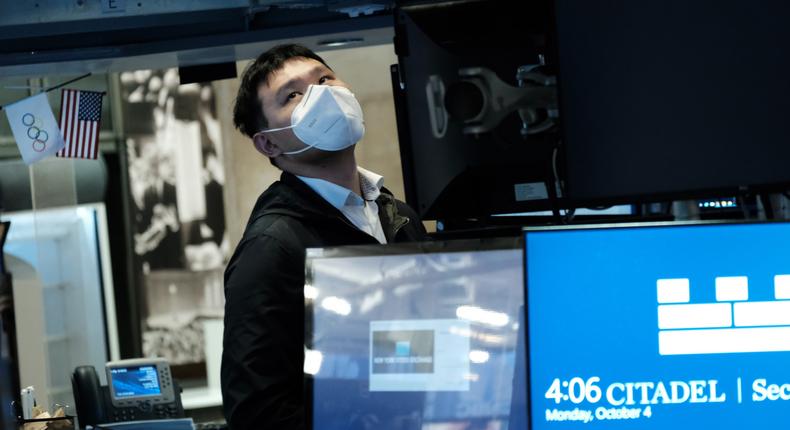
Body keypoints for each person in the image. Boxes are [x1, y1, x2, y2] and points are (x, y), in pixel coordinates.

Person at [220, 44, 428, 429]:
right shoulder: (271, 249)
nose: (323, 95)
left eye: (325, 79)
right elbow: (255, 412)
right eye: (293, 95)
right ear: (269, 142)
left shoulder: (397, 217)